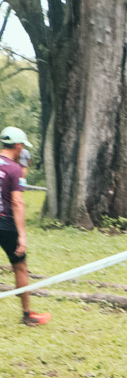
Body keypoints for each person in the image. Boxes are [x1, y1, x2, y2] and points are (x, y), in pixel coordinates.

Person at [0, 127, 51, 326]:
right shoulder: (14, 169)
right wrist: (22, 236)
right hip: (6, 225)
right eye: (22, 147)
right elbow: (17, 203)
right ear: (18, 145)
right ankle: (27, 314)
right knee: (20, 268)